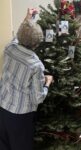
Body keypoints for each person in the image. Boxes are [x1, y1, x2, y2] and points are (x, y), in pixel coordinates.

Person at [0, 8, 53, 150]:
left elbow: (20, 35)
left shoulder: (10, 48)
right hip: (20, 115)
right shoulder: (36, 65)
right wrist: (47, 83)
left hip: (3, 107)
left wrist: (28, 17)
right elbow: (38, 98)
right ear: (37, 42)